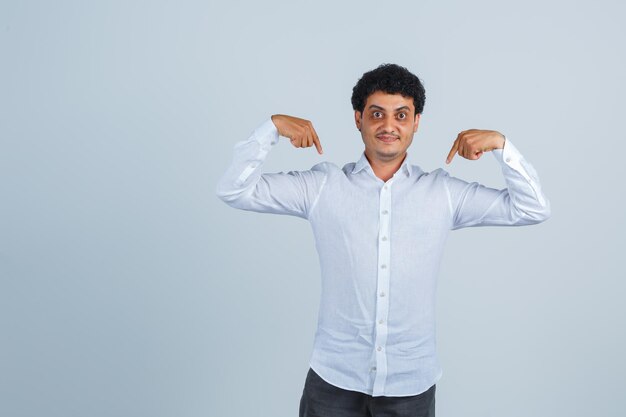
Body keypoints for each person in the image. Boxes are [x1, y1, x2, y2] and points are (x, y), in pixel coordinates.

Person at [215, 63, 550, 417]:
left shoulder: (442, 193)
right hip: (333, 381)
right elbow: (234, 190)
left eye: (401, 115)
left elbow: (532, 209)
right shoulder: (323, 187)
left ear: (416, 122)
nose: (389, 125)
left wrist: (502, 146)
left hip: (411, 384)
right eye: (377, 114)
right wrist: (271, 129)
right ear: (358, 118)